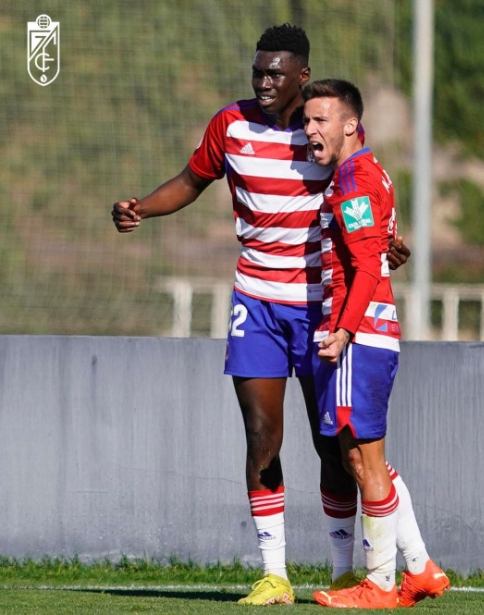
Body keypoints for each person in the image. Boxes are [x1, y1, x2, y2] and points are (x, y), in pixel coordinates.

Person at [112, 24, 410, 606]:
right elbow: (192, 180)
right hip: (256, 301)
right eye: (258, 71)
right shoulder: (231, 124)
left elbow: (366, 191)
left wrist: (389, 241)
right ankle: (274, 573)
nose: (264, 81)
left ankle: (342, 569)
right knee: (261, 435)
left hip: (323, 304)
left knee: (333, 446)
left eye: (276, 72)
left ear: (303, 75)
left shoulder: (325, 129)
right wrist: (141, 208)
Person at [303, 79, 449, 609]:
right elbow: (376, 250)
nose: (310, 129)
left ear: (350, 123)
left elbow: (366, 263)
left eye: (320, 119)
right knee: (363, 459)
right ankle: (421, 567)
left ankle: (380, 584)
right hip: (368, 329)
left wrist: (342, 329)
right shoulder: (365, 172)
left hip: (358, 334)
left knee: (363, 459)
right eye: (307, 120)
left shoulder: (354, 179)